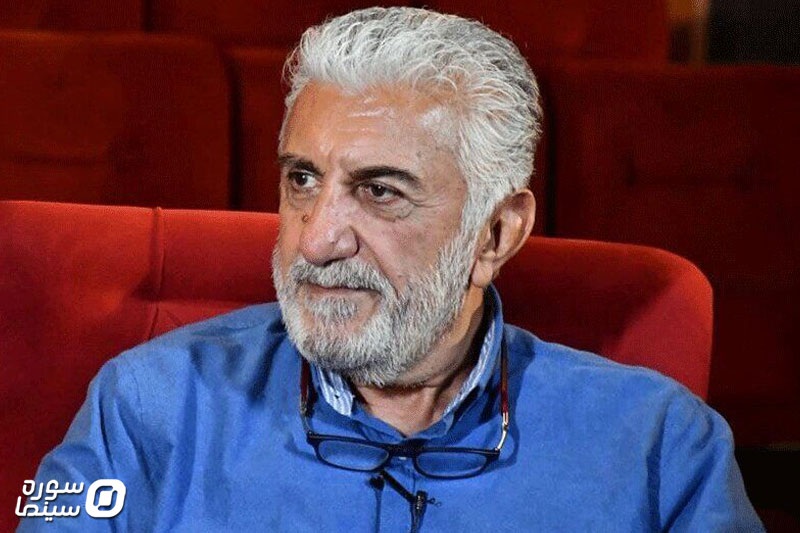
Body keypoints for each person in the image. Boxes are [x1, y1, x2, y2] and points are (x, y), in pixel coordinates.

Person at [18, 7, 762, 532]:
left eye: (379, 191)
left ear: (495, 233)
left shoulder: (662, 448)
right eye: (302, 180)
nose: (315, 241)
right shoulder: (147, 406)